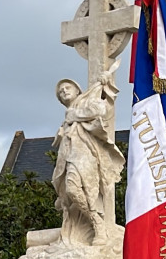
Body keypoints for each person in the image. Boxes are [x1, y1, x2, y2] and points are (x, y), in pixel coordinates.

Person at [51, 65, 125, 247]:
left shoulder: (85, 103)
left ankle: (98, 225)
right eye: (60, 92)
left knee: (83, 190)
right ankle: (94, 223)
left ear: (77, 90)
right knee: (71, 190)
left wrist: (74, 115)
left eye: (67, 88)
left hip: (86, 155)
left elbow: (99, 110)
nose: (63, 91)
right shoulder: (67, 117)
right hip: (69, 157)